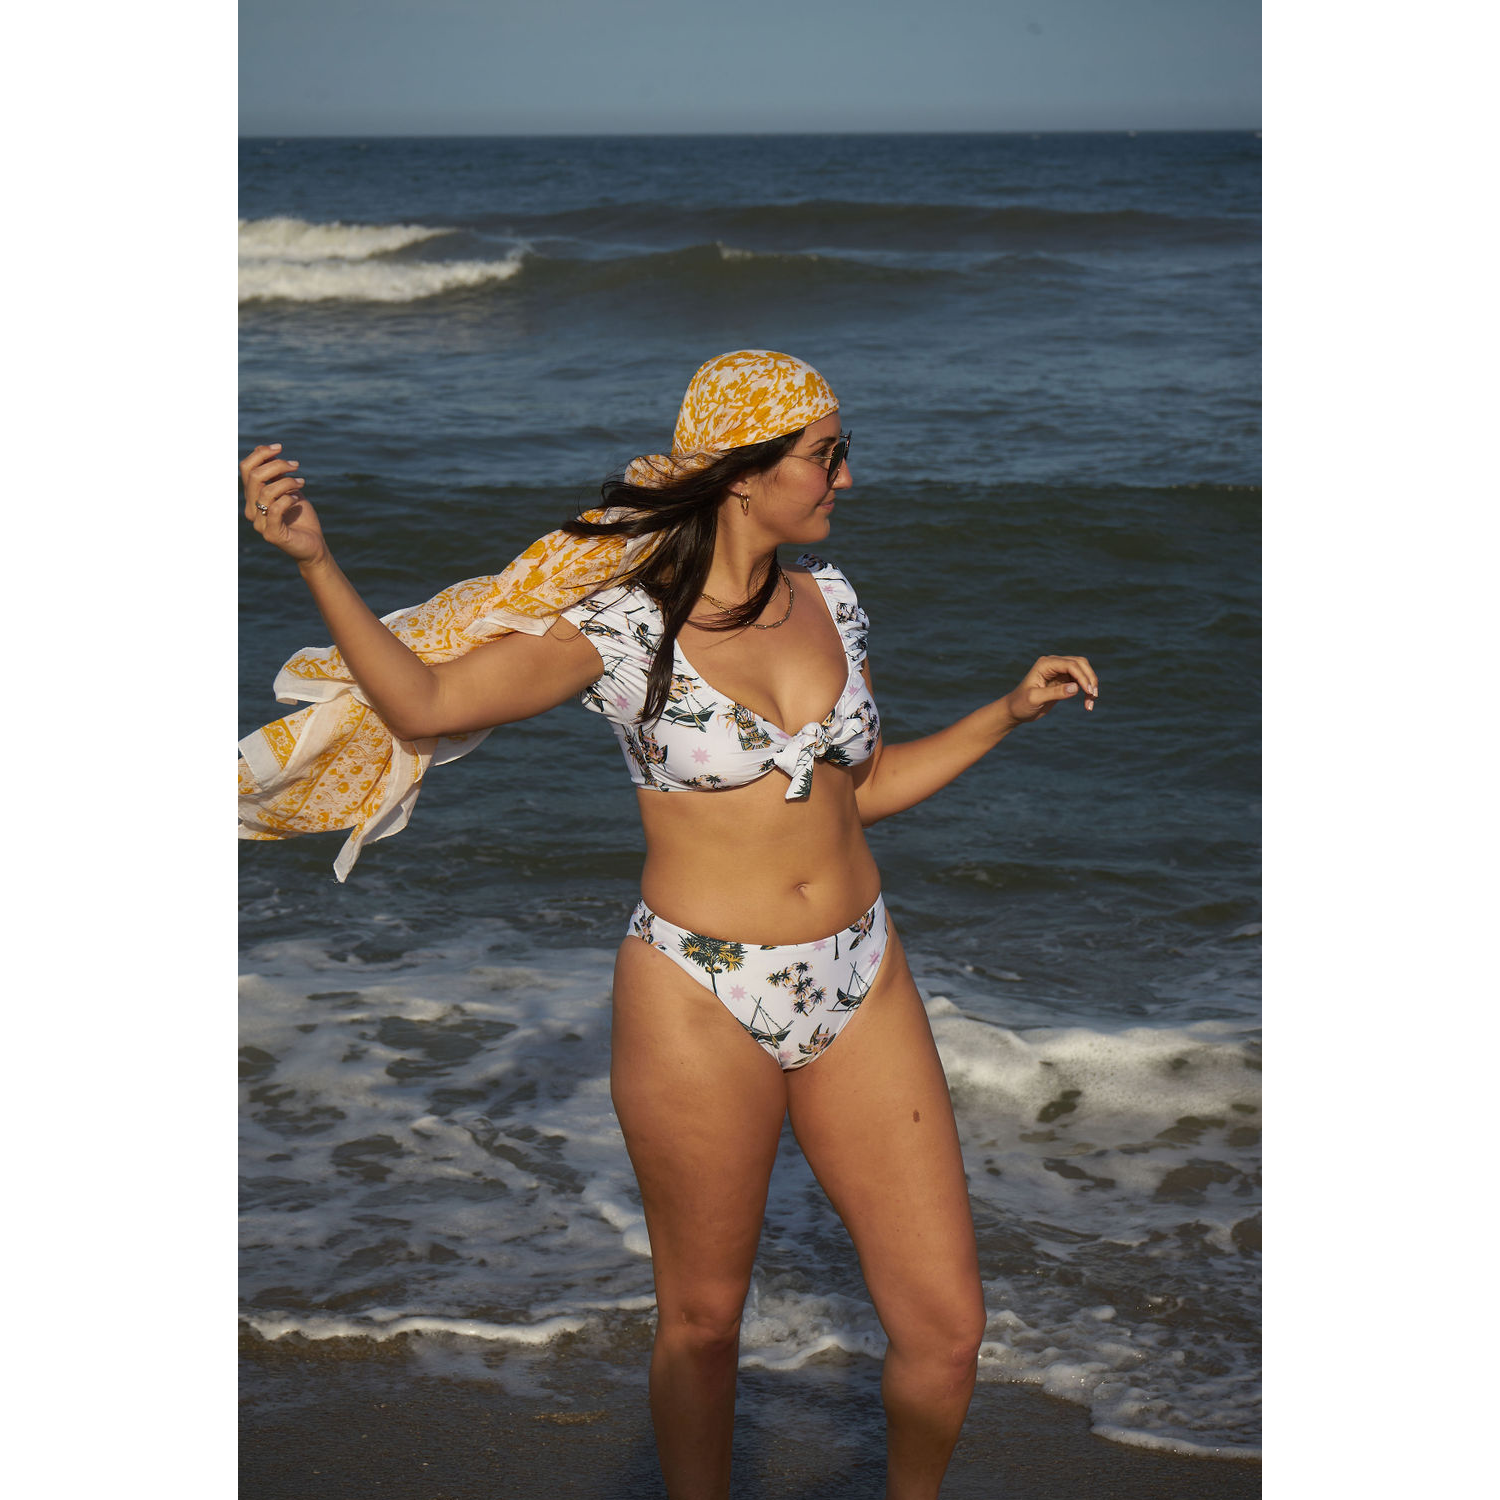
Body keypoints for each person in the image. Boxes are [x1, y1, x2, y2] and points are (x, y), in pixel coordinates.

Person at [240, 349, 1098, 1500]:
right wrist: (316, 559)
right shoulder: (623, 629)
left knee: (946, 1332)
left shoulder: (830, 601)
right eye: (826, 455)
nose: (846, 476)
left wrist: (1006, 712)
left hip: (860, 972)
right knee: (702, 1325)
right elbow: (426, 700)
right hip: (699, 988)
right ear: (744, 474)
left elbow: (859, 789)